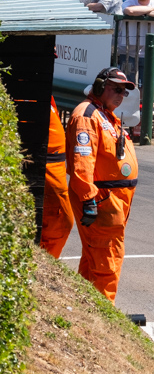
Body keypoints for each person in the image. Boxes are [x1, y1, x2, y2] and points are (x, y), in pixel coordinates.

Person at [66, 67, 139, 303]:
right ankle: (104, 315)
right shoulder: (87, 115)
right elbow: (82, 161)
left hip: (112, 201)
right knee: (107, 262)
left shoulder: (104, 114)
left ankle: (86, 312)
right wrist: (89, 199)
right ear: (100, 87)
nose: (120, 95)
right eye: (116, 89)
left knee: (93, 260)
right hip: (101, 199)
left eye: (124, 92)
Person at [41, 96, 74, 258]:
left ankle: (43, 265)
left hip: (55, 170)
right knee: (60, 223)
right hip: (46, 170)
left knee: (61, 223)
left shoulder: (47, 94)